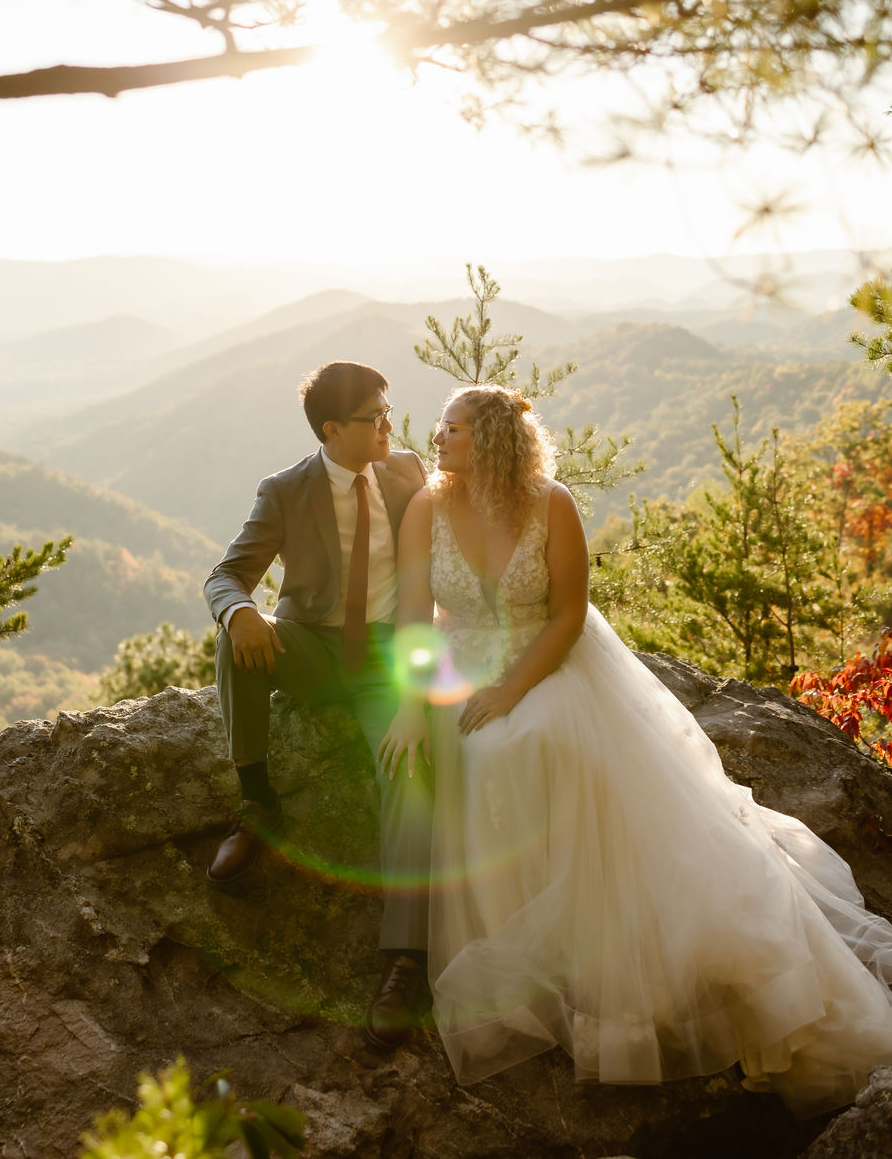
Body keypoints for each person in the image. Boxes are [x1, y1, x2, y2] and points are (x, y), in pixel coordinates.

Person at [380, 383, 892, 1117]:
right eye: (439, 425)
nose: (437, 435)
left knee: (535, 739)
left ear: (489, 437)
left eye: (452, 426)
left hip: (547, 659)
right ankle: (523, 935)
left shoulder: (549, 501)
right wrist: (408, 703)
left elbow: (567, 613)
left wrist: (512, 690)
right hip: (462, 661)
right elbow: (409, 621)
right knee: (470, 757)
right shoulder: (427, 506)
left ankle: (593, 936)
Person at [203, 360, 433, 1048]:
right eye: (375, 417)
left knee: (411, 770)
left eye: (389, 410)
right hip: (309, 645)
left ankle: (405, 958)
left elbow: (432, 586)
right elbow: (226, 574)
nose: (389, 424)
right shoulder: (285, 490)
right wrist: (240, 607)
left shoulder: (407, 472)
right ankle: (257, 802)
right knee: (236, 635)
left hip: (388, 661)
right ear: (333, 430)